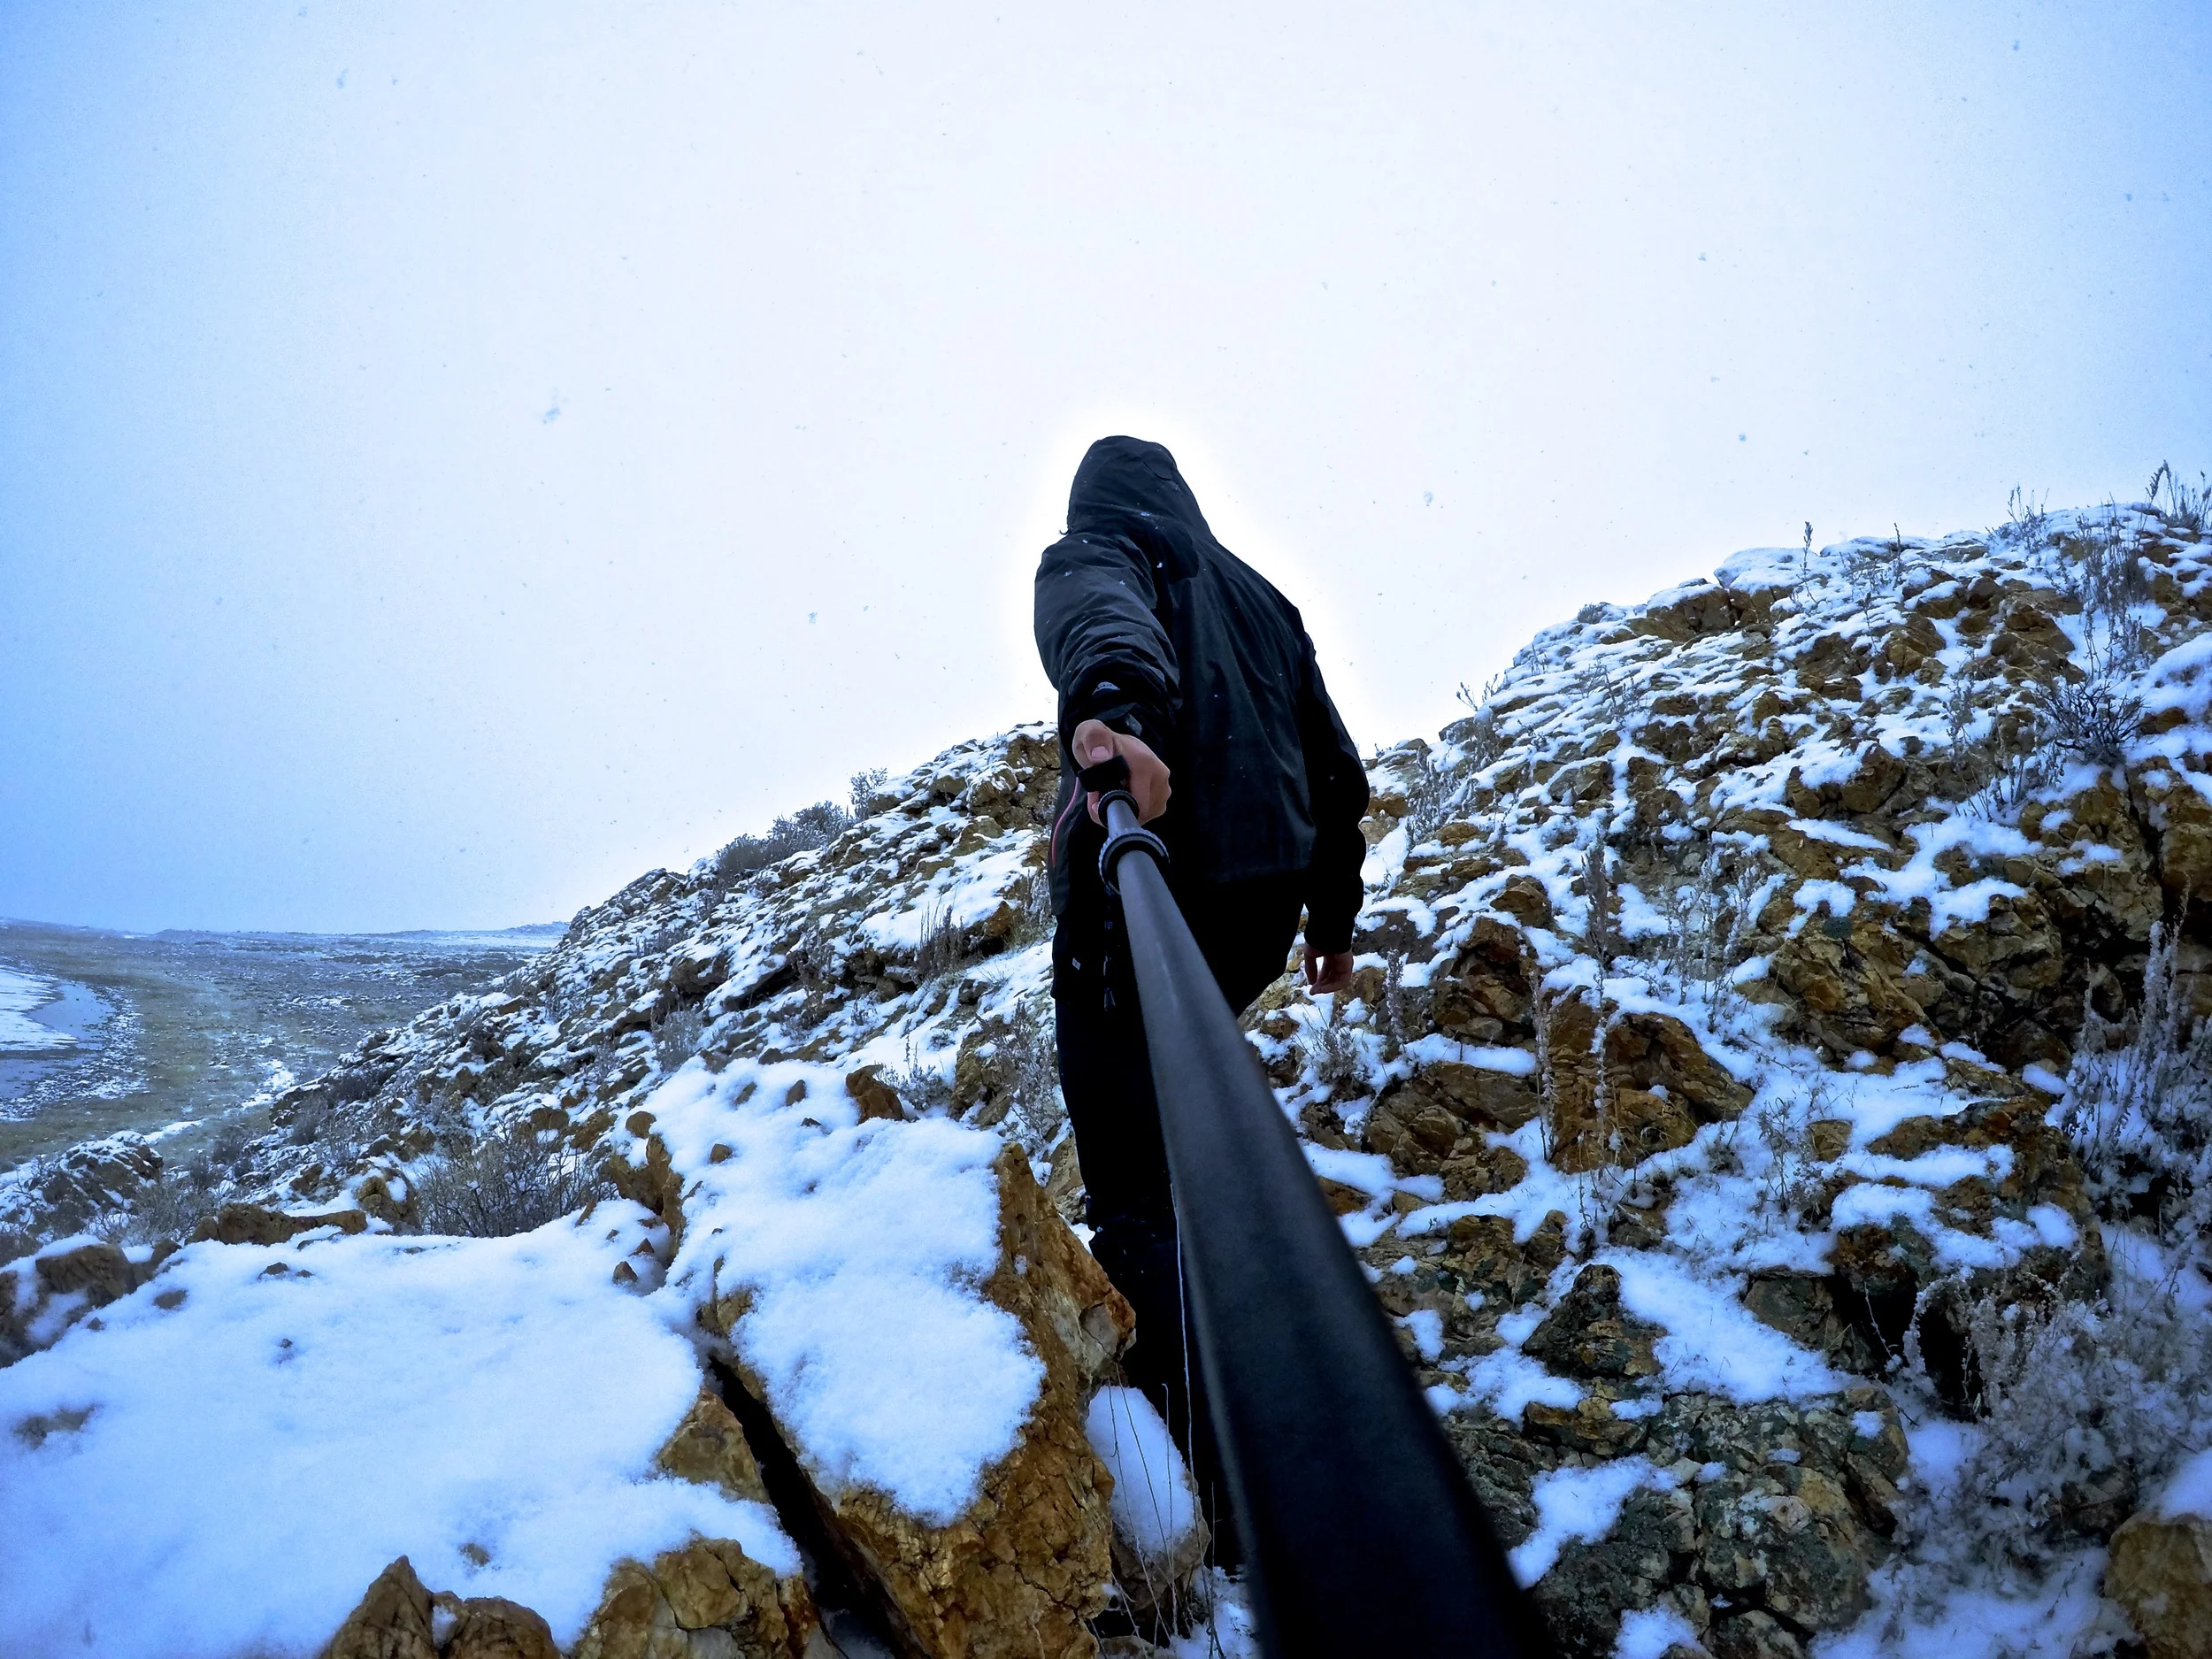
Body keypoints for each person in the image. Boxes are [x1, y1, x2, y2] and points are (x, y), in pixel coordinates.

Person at [1033, 435, 1370, 1566]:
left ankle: (1205, 1461)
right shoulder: (1259, 595)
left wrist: (1115, 713)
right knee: (1177, 1116)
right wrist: (1329, 923)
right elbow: (1333, 767)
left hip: (1148, 906)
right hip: (1255, 908)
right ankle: (1217, 1292)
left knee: (1128, 1174)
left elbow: (1101, 626)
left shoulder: (1103, 551)